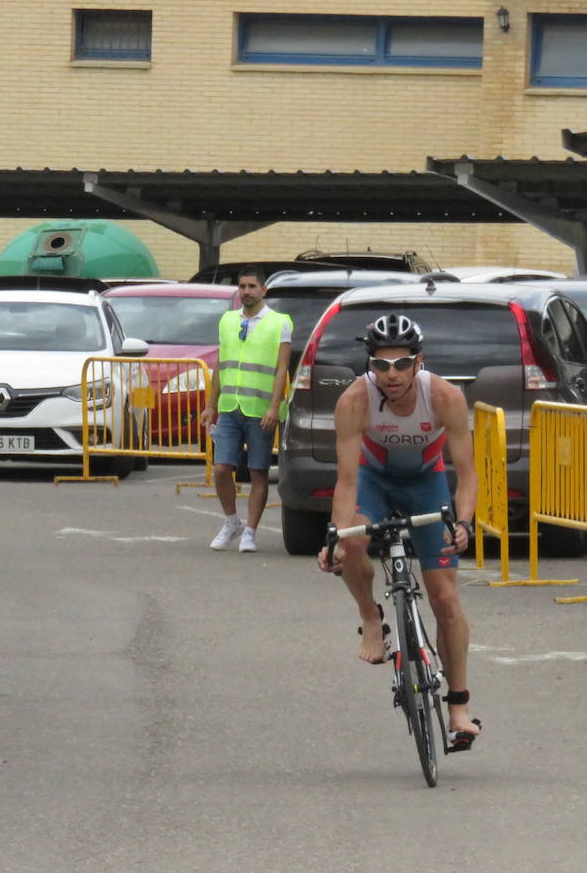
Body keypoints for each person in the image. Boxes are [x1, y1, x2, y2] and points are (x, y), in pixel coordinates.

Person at [318, 313, 481, 750]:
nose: (392, 374)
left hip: (427, 484)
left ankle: (458, 709)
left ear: (419, 362)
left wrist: (464, 524)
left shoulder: (444, 397)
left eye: (403, 364)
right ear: (370, 364)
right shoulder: (355, 400)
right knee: (352, 541)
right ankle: (371, 619)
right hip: (373, 480)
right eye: (381, 365)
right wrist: (336, 533)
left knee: (445, 598)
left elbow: (466, 474)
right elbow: (348, 482)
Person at [198, 266, 292, 553]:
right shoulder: (228, 321)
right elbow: (220, 366)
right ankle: (231, 522)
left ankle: (250, 531)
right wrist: (210, 405)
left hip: (261, 409)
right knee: (222, 468)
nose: (247, 291)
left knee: (258, 471)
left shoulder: (279, 322)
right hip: (229, 406)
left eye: (252, 286)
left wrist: (274, 406)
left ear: (263, 290)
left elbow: (281, 368)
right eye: (242, 286)